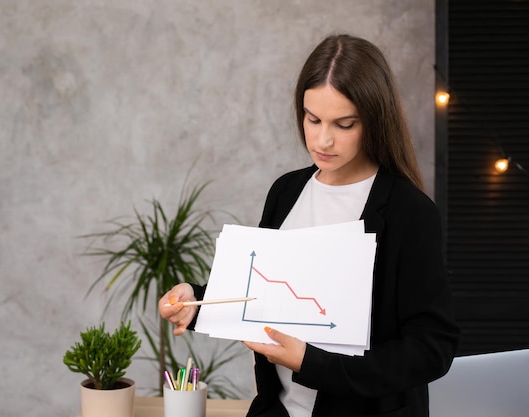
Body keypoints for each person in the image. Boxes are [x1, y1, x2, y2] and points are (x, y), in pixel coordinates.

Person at [159, 33, 460, 417]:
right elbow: (266, 293)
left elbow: (432, 349)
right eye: (312, 118)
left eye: (344, 124)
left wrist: (312, 363)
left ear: (374, 120)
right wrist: (197, 302)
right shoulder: (286, 191)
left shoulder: (410, 212)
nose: (322, 139)